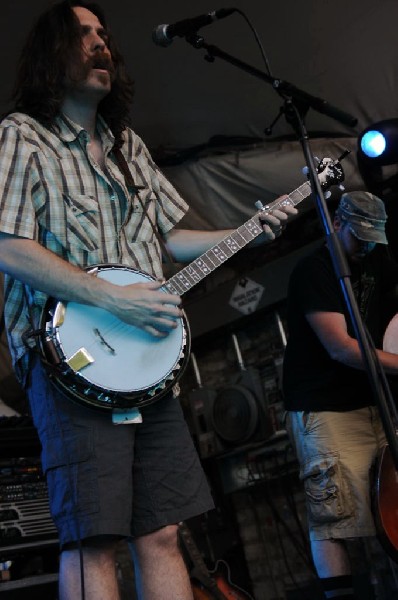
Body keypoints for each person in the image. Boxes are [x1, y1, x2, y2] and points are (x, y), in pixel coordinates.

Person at [0, 2, 296, 599]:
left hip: (146, 365)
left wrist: (247, 229)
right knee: (93, 542)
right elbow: (8, 245)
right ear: (51, 53)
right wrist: (112, 298)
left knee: (162, 533)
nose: (100, 44)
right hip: (68, 365)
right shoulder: (22, 136)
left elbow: (173, 237)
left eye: (104, 35)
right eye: (82, 35)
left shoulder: (128, 147)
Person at [282, 190, 398, 599]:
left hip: (374, 400)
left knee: (393, 505)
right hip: (323, 404)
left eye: (373, 237)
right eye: (359, 236)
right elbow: (341, 348)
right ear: (336, 224)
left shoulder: (377, 258)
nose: (365, 245)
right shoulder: (314, 270)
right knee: (335, 514)